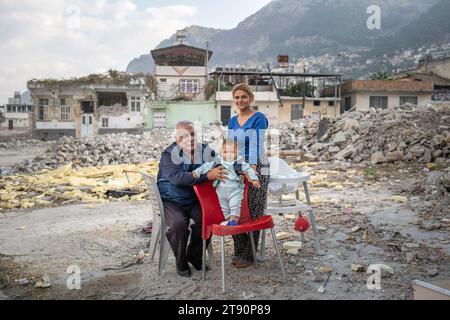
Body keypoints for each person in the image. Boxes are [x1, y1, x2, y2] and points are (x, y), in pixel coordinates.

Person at [157, 121, 227, 277]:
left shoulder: (204, 150)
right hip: (171, 200)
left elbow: (220, 164)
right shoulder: (168, 155)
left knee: (207, 218)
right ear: (177, 139)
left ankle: (194, 256)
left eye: (192, 134)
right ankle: (180, 260)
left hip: (194, 199)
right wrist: (206, 175)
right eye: (184, 136)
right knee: (178, 223)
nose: (189, 138)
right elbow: (177, 178)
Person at [227, 83, 270, 268]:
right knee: (234, 207)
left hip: (258, 165)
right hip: (237, 166)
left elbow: (256, 142)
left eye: (243, 96)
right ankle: (239, 250)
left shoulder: (259, 118)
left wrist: (251, 168)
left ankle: (249, 254)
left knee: (254, 210)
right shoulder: (232, 121)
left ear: (250, 98)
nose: (240, 100)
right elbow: (231, 145)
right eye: (236, 97)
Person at [192, 139, 261, 226]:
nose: (228, 155)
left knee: (234, 204)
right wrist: (197, 172)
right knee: (224, 207)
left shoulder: (239, 162)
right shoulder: (218, 161)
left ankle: (234, 220)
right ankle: (228, 220)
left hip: (235, 189)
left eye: (232, 152)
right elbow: (206, 166)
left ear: (237, 152)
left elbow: (249, 170)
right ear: (221, 151)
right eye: (225, 152)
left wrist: (254, 179)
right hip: (221, 190)